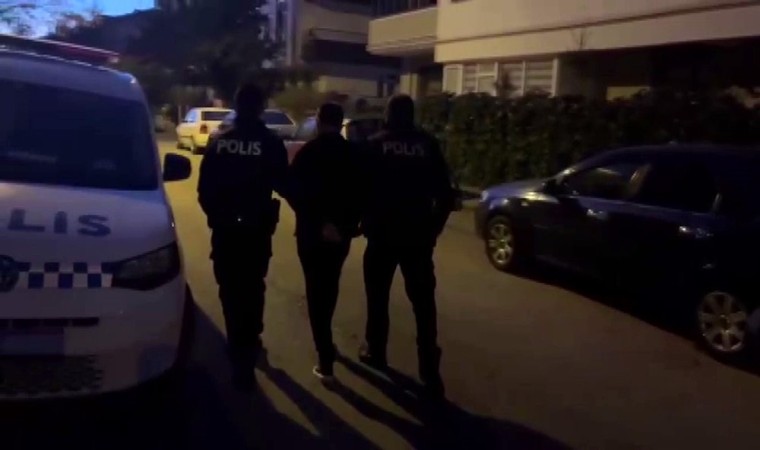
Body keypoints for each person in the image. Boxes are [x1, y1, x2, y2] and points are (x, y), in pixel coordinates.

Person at [359, 94, 456, 400]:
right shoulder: (427, 145)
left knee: (378, 297)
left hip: (382, 236)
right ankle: (429, 370)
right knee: (424, 305)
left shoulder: (374, 145)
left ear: (388, 114)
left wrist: (362, 222)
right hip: (418, 238)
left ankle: (376, 350)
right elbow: (446, 195)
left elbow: (359, 190)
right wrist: (433, 230)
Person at [197, 82, 289, 389]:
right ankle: (250, 342)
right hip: (256, 231)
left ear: (236, 106)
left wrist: (217, 217)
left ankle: (237, 343)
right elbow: (286, 185)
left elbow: (204, 190)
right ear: (261, 107)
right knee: (252, 287)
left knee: (229, 288)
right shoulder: (270, 143)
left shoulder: (219, 141)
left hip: (225, 231)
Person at [288, 103, 362, 382]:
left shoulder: (308, 153)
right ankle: (326, 344)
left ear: (319, 122)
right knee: (329, 287)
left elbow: (294, 192)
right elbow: (362, 193)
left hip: (310, 233)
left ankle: (325, 357)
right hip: (341, 235)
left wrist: (319, 222)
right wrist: (346, 225)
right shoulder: (353, 154)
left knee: (315, 290)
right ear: (340, 122)